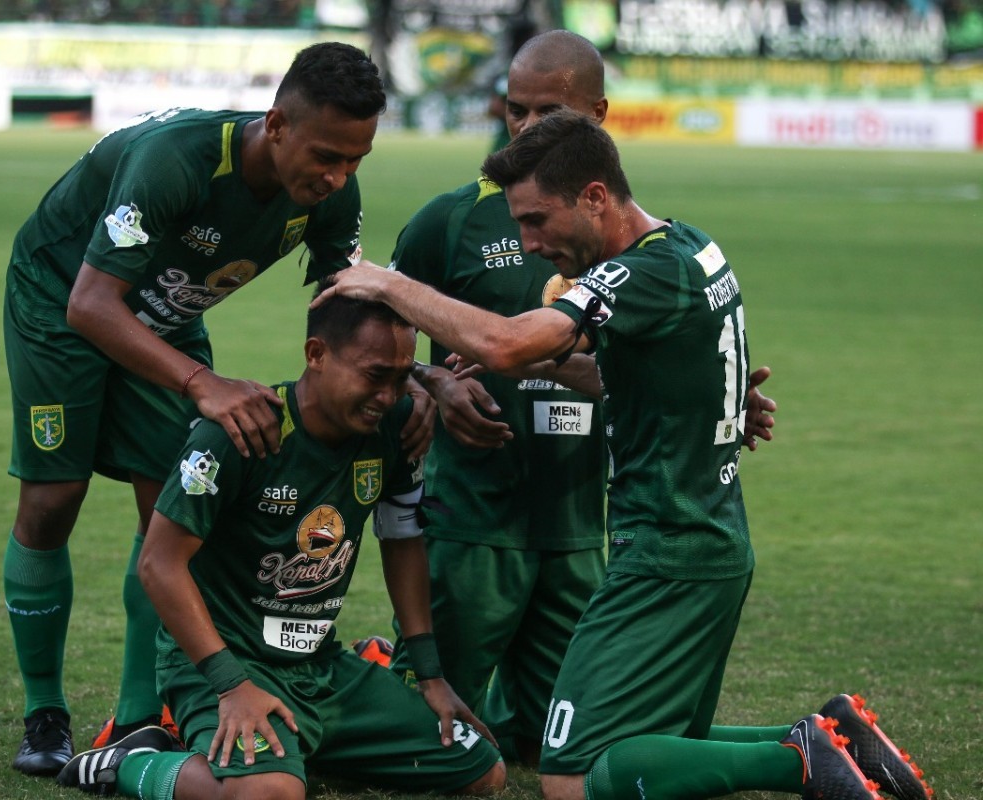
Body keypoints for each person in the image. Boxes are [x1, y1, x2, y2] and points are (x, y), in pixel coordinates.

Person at [317, 112, 931, 800]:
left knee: (569, 776)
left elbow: (509, 343)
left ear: (594, 197)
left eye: (537, 220)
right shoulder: (690, 246)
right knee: (652, 741)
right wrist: (550, 369)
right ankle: (836, 735)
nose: (529, 243)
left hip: (666, 555)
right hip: (705, 544)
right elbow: (633, 372)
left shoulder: (644, 273)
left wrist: (391, 285)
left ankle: (798, 761)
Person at [0, 42, 420, 777]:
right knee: (52, 500)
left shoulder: (331, 193)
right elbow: (91, 304)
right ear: (276, 126)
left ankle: (138, 718)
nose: (337, 176)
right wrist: (202, 382)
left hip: (168, 313)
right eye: (326, 155)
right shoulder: (174, 161)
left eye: (356, 160)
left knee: (169, 504)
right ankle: (45, 714)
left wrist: (428, 382)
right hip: (60, 300)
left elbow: (348, 312)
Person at [386, 29, 774, 767]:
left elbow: (553, 347)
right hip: (475, 519)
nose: (528, 128)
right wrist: (432, 380)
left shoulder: (618, 245)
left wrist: (704, 396)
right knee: (422, 742)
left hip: (579, 524)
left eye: (550, 112)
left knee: (561, 741)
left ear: (597, 116)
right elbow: (374, 351)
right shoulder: (452, 220)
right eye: (516, 110)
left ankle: (803, 748)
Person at [56, 290, 507, 799]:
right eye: (375, 375)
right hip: (226, 665)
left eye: (402, 377)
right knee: (270, 794)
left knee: (480, 769)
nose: (388, 395)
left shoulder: (397, 426)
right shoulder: (238, 433)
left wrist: (430, 676)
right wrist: (230, 683)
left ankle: (295, 748)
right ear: (316, 354)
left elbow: (402, 540)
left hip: (321, 667)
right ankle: (131, 763)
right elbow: (158, 563)